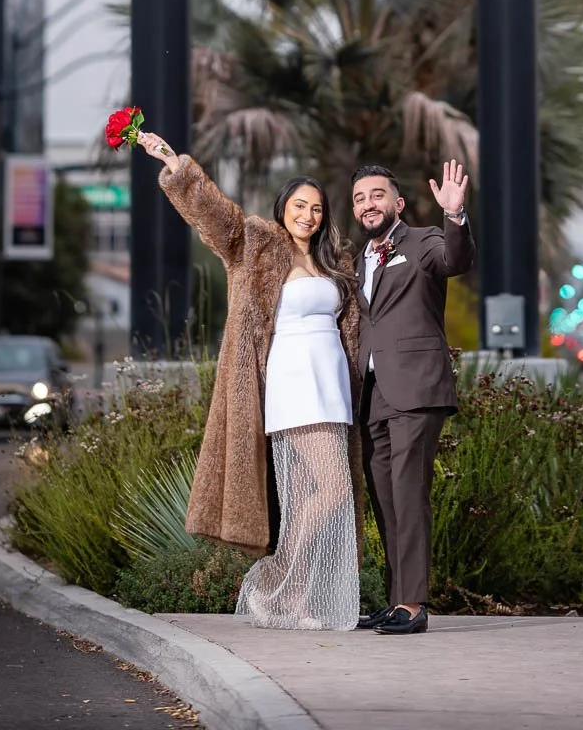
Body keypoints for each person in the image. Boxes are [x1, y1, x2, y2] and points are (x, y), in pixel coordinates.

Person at [138, 131, 361, 631]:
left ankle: (293, 600)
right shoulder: (257, 244)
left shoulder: (334, 260)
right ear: (283, 208)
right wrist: (177, 167)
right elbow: (219, 219)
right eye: (300, 206)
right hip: (292, 381)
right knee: (333, 489)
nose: (308, 215)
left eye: (318, 209)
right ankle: (277, 581)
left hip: (333, 384)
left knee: (309, 495)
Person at [353, 158, 475, 636]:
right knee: (386, 499)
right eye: (360, 198)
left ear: (397, 203)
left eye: (377, 195)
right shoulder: (356, 258)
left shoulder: (422, 241)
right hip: (372, 395)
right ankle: (395, 600)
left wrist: (455, 216)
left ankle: (412, 603)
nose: (369, 204)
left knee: (408, 493)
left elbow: (455, 260)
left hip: (416, 389)